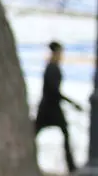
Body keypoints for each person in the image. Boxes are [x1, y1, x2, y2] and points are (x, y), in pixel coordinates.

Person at [34, 41, 81, 174]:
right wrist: (72, 103)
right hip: (49, 108)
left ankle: (71, 166)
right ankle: (71, 166)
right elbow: (53, 91)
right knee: (36, 133)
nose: (61, 55)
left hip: (51, 107)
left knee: (64, 134)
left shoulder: (53, 67)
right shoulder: (52, 68)